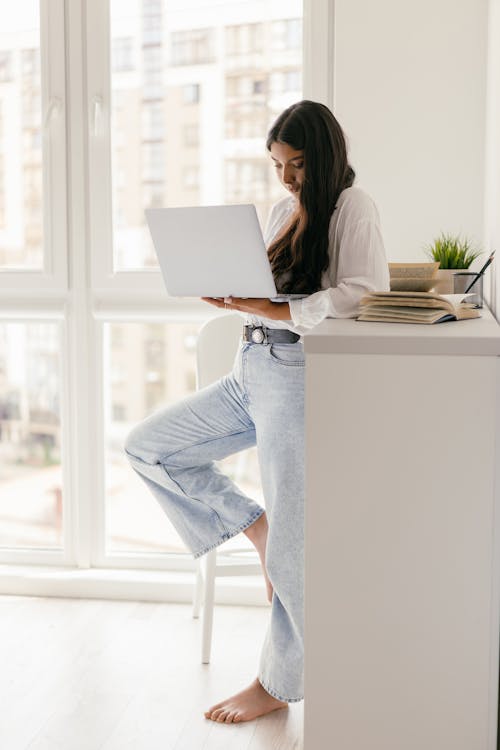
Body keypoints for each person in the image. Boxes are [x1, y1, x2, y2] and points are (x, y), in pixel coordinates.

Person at [124, 100, 389, 724]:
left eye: (295, 164)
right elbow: (276, 291)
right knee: (150, 445)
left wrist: (271, 311)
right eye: (276, 164)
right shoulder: (280, 210)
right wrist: (235, 296)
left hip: (297, 376)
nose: (286, 177)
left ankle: (277, 682)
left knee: (296, 554)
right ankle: (255, 526)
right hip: (250, 369)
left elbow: (362, 294)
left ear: (324, 156)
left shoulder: (354, 208)